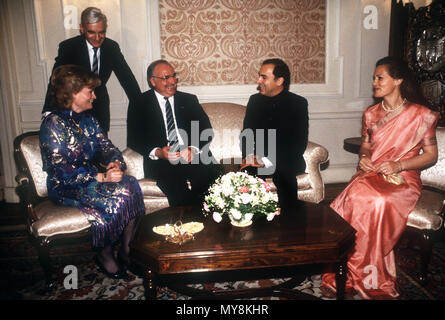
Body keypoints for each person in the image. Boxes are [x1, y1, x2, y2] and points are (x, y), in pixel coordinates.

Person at [322, 56, 439, 299]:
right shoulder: (370, 114)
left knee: (377, 202)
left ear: (397, 80)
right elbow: (366, 146)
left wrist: (399, 164)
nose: (374, 82)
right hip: (371, 172)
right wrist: (363, 158)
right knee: (353, 195)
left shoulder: (420, 115)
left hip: (404, 178)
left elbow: (430, 156)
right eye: (374, 78)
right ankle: (349, 269)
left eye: (379, 77)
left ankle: (370, 275)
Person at [39, 64, 145, 279]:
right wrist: (101, 177)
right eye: (90, 91)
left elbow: (106, 147)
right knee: (116, 195)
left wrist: (114, 163)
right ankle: (104, 253)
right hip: (66, 187)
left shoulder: (88, 119)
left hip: (92, 179)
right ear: (72, 93)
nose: (95, 96)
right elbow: (61, 171)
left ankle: (126, 249)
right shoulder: (52, 124)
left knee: (131, 183)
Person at [126, 59, 222, 206]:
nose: (172, 81)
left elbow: (206, 129)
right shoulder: (139, 103)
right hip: (163, 161)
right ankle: (186, 221)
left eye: (173, 76)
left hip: (193, 155)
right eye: (166, 78)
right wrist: (159, 152)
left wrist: (192, 148)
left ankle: (205, 220)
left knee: (211, 179)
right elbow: (134, 138)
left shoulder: (189, 100)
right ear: (152, 81)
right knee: (176, 187)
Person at [42, 7, 141, 133]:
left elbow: (127, 78)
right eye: (91, 32)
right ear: (82, 29)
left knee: (101, 147)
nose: (97, 37)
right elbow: (55, 80)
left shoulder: (111, 47)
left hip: (99, 107)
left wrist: (140, 105)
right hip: (74, 106)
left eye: (102, 32)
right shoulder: (68, 47)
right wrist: (49, 110)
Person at [240, 58, 309, 211]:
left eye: (264, 77)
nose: (258, 80)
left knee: (284, 175)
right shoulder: (255, 101)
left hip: (287, 160)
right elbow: (246, 134)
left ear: (279, 81)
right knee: (246, 177)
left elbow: (299, 143)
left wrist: (268, 160)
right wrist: (249, 155)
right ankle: (254, 222)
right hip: (258, 159)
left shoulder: (298, 104)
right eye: (259, 76)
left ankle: (290, 222)